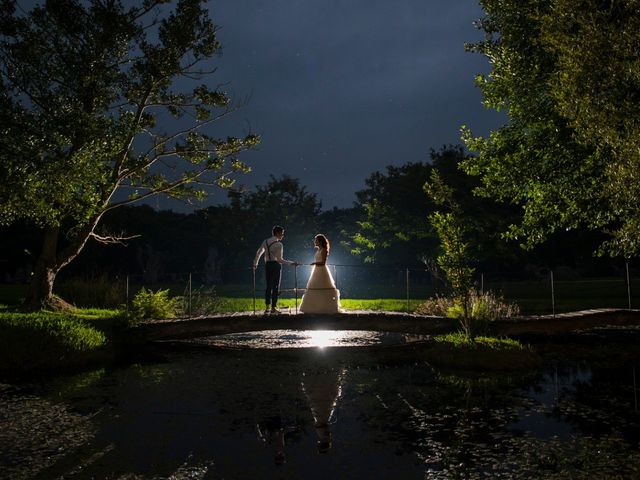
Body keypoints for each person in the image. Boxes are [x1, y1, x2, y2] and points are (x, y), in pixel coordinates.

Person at [253, 225, 298, 314]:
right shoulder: (279, 244)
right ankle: (273, 308)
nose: (282, 235)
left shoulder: (265, 241)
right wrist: (291, 263)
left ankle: (267, 308)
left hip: (267, 265)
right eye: (282, 233)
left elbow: (259, 253)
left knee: (268, 287)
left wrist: (255, 264)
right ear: (277, 233)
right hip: (276, 266)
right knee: (275, 287)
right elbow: (280, 260)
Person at [299, 234, 340, 314]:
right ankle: (313, 307)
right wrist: (315, 264)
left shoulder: (324, 250)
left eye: (316, 240)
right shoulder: (318, 250)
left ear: (320, 241)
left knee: (322, 287)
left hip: (321, 271)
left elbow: (323, 263)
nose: (315, 242)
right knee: (314, 287)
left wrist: (314, 263)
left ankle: (324, 307)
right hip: (316, 271)